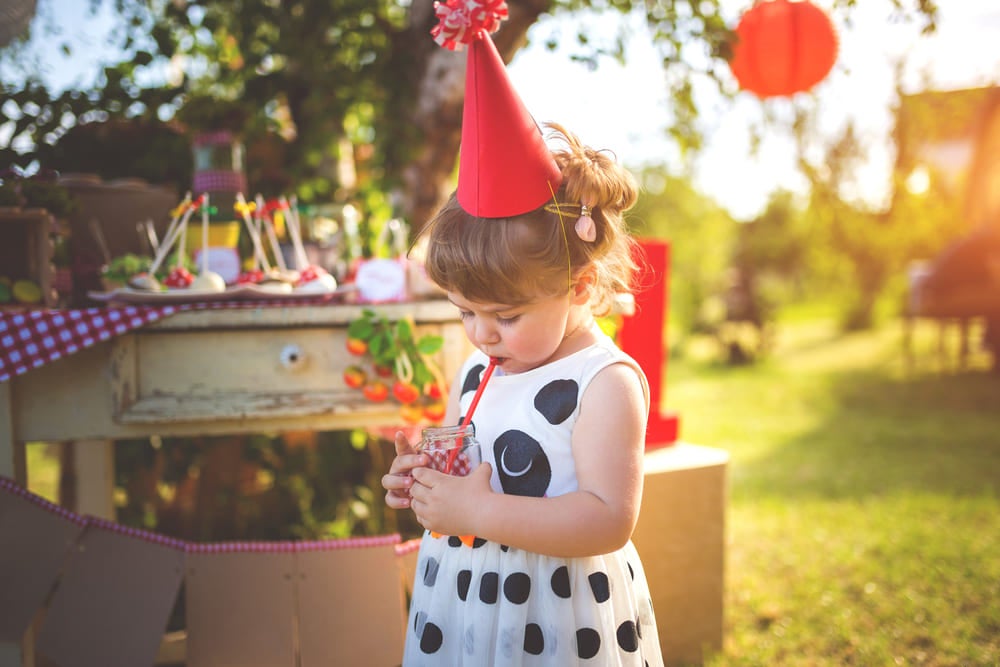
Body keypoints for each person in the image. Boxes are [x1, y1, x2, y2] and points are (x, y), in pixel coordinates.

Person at [381, 7, 663, 661]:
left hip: (558, 615)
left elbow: (607, 518)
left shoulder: (604, 383)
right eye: (464, 310)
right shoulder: (481, 370)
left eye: (506, 315)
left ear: (583, 288)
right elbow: (472, 470)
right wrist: (426, 479)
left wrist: (477, 514)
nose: (482, 333)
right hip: (468, 606)